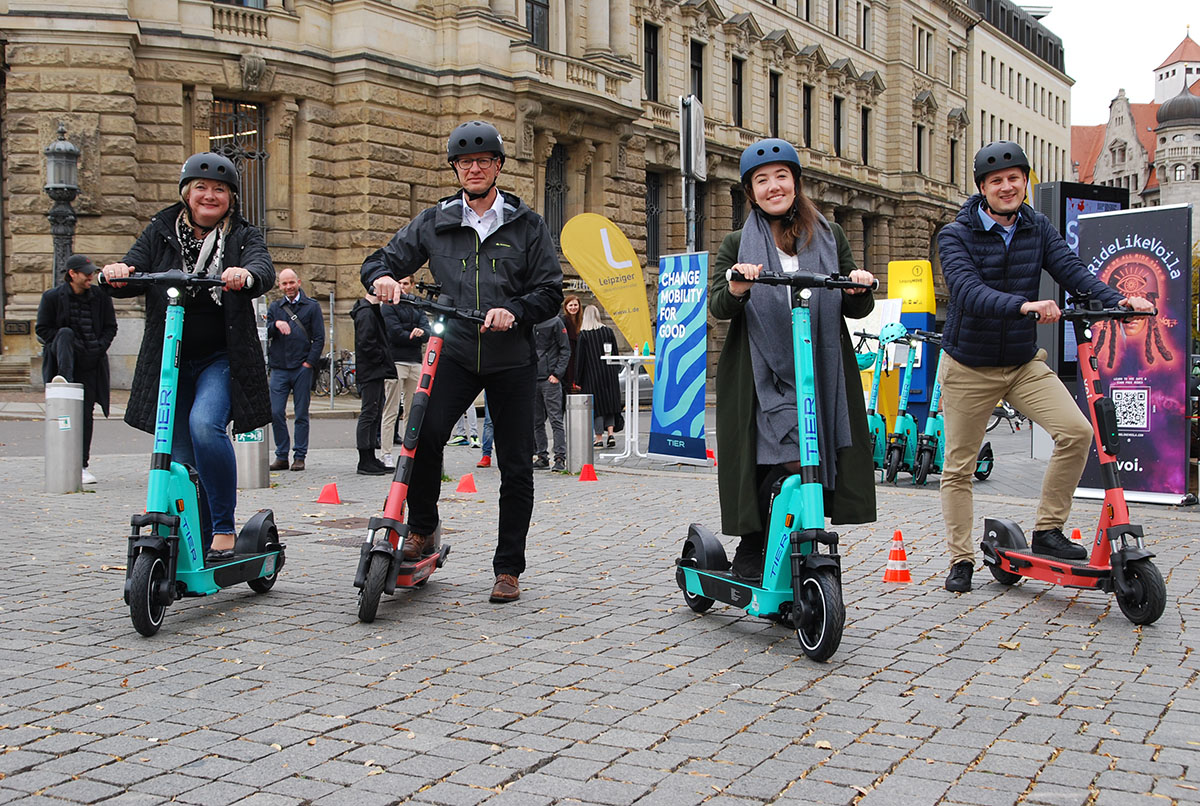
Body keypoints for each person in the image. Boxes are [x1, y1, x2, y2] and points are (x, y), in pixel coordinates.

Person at [936, 140, 1154, 593]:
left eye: (1015, 178)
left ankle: (1047, 531)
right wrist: (1025, 306)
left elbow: (1072, 269)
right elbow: (966, 290)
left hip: (1020, 363)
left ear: (1025, 181)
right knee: (959, 468)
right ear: (982, 188)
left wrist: (1119, 301)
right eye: (997, 180)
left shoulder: (1037, 226)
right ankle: (960, 559)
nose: (1007, 186)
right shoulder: (955, 235)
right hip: (968, 366)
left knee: (1077, 433)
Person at [362, 119, 563, 603]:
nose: (474, 168)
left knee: (516, 463)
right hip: (453, 349)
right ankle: (424, 529)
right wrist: (384, 279)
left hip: (510, 356)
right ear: (455, 169)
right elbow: (378, 260)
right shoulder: (436, 221)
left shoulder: (526, 224)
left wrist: (514, 311)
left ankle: (508, 568)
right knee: (423, 436)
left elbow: (550, 292)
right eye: (465, 162)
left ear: (497, 167)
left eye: (483, 161)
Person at [709, 138, 877, 582]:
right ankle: (754, 543)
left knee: (813, 457)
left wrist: (857, 288)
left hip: (820, 364)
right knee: (782, 456)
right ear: (751, 193)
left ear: (796, 182)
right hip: (760, 370)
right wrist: (738, 287)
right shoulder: (736, 243)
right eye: (761, 181)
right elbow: (719, 307)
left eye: (781, 176)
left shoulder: (830, 234)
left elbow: (855, 307)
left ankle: (796, 543)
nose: (773, 187)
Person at [101, 152, 274, 563]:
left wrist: (245, 275)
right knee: (177, 454)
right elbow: (134, 268)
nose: (209, 195)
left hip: (221, 358)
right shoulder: (161, 230)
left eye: (219, 189)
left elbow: (261, 268)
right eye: (201, 188)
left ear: (231, 197)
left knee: (204, 425)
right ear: (186, 193)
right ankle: (187, 529)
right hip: (171, 360)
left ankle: (223, 527)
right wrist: (119, 271)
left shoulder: (242, 236)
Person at [36, 254, 117, 485]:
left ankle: (81, 464)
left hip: (92, 363)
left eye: (92, 271)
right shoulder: (52, 297)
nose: (91, 276)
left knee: (85, 414)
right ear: (72, 274)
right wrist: (66, 346)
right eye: (86, 272)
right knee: (65, 413)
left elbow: (111, 327)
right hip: (65, 362)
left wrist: (98, 348)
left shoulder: (101, 297)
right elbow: (43, 329)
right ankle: (64, 461)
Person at [266, 268, 324, 472]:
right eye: (284, 284)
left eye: (291, 282)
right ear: (279, 286)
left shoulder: (311, 307)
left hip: (301, 368)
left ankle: (300, 456)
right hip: (279, 368)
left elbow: (319, 338)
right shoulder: (275, 306)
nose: (288, 287)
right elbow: (267, 330)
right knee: (275, 412)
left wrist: (309, 363)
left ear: (298, 282)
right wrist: (276, 324)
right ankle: (281, 455)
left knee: (301, 414)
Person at [380, 275, 429, 469]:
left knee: (413, 410)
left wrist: (417, 333)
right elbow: (394, 332)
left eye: (405, 283)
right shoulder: (388, 305)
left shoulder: (416, 305)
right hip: (395, 362)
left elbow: (427, 331)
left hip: (415, 362)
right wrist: (413, 333)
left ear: (412, 285)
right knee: (391, 410)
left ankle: (410, 452)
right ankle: (386, 453)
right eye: (398, 283)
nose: (401, 286)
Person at [351, 290, 396, 475]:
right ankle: (365, 459)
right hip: (371, 369)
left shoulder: (371, 310)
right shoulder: (366, 312)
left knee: (375, 412)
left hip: (375, 369)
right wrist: (381, 358)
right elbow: (366, 342)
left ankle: (370, 456)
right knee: (369, 413)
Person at [575, 305, 621, 447]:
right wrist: (616, 369)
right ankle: (611, 434)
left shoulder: (584, 335)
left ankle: (599, 438)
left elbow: (580, 359)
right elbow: (615, 353)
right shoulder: (608, 331)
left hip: (592, 376)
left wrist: (577, 379)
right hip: (609, 374)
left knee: (597, 407)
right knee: (610, 404)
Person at [532, 314, 570, 471]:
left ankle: (560, 457)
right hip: (534, 378)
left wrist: (557, 374)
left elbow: (565, 349)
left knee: (555, 419)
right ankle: (542, 456)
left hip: (549, 378)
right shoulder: (531, 322)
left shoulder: (555, 322)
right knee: (536, 421)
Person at [561, 295, 583, 399]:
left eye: (575, 305)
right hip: (568, 356)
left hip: (577, 356)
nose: (573, 307)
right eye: (571, 305)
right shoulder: (563, 320)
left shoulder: (581, 321)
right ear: (566, 307)